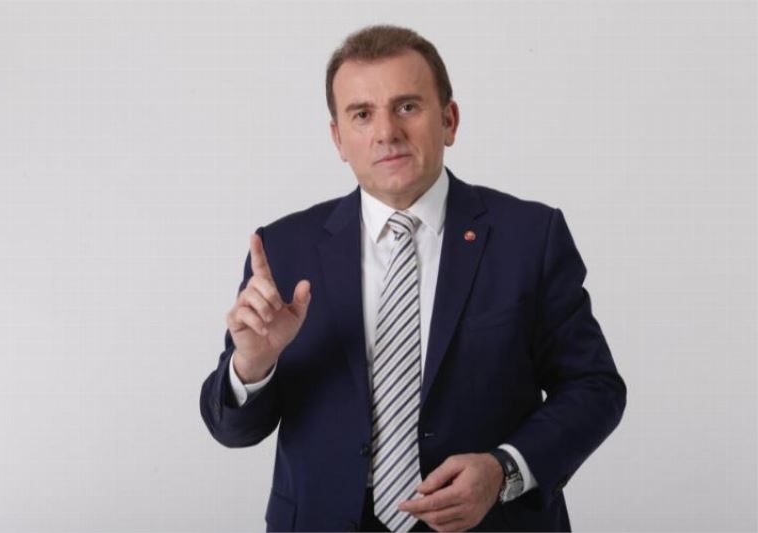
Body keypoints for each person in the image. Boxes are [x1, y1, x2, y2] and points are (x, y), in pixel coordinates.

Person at [200, 25, 626, 532]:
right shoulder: (283, 249)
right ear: (338, 138)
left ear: (449, 120)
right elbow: (234, 430)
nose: (386, 132)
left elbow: (594, 387)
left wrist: (504, 470)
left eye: (407, 106)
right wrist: (253, 364)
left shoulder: (530, 237)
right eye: (362, 114)